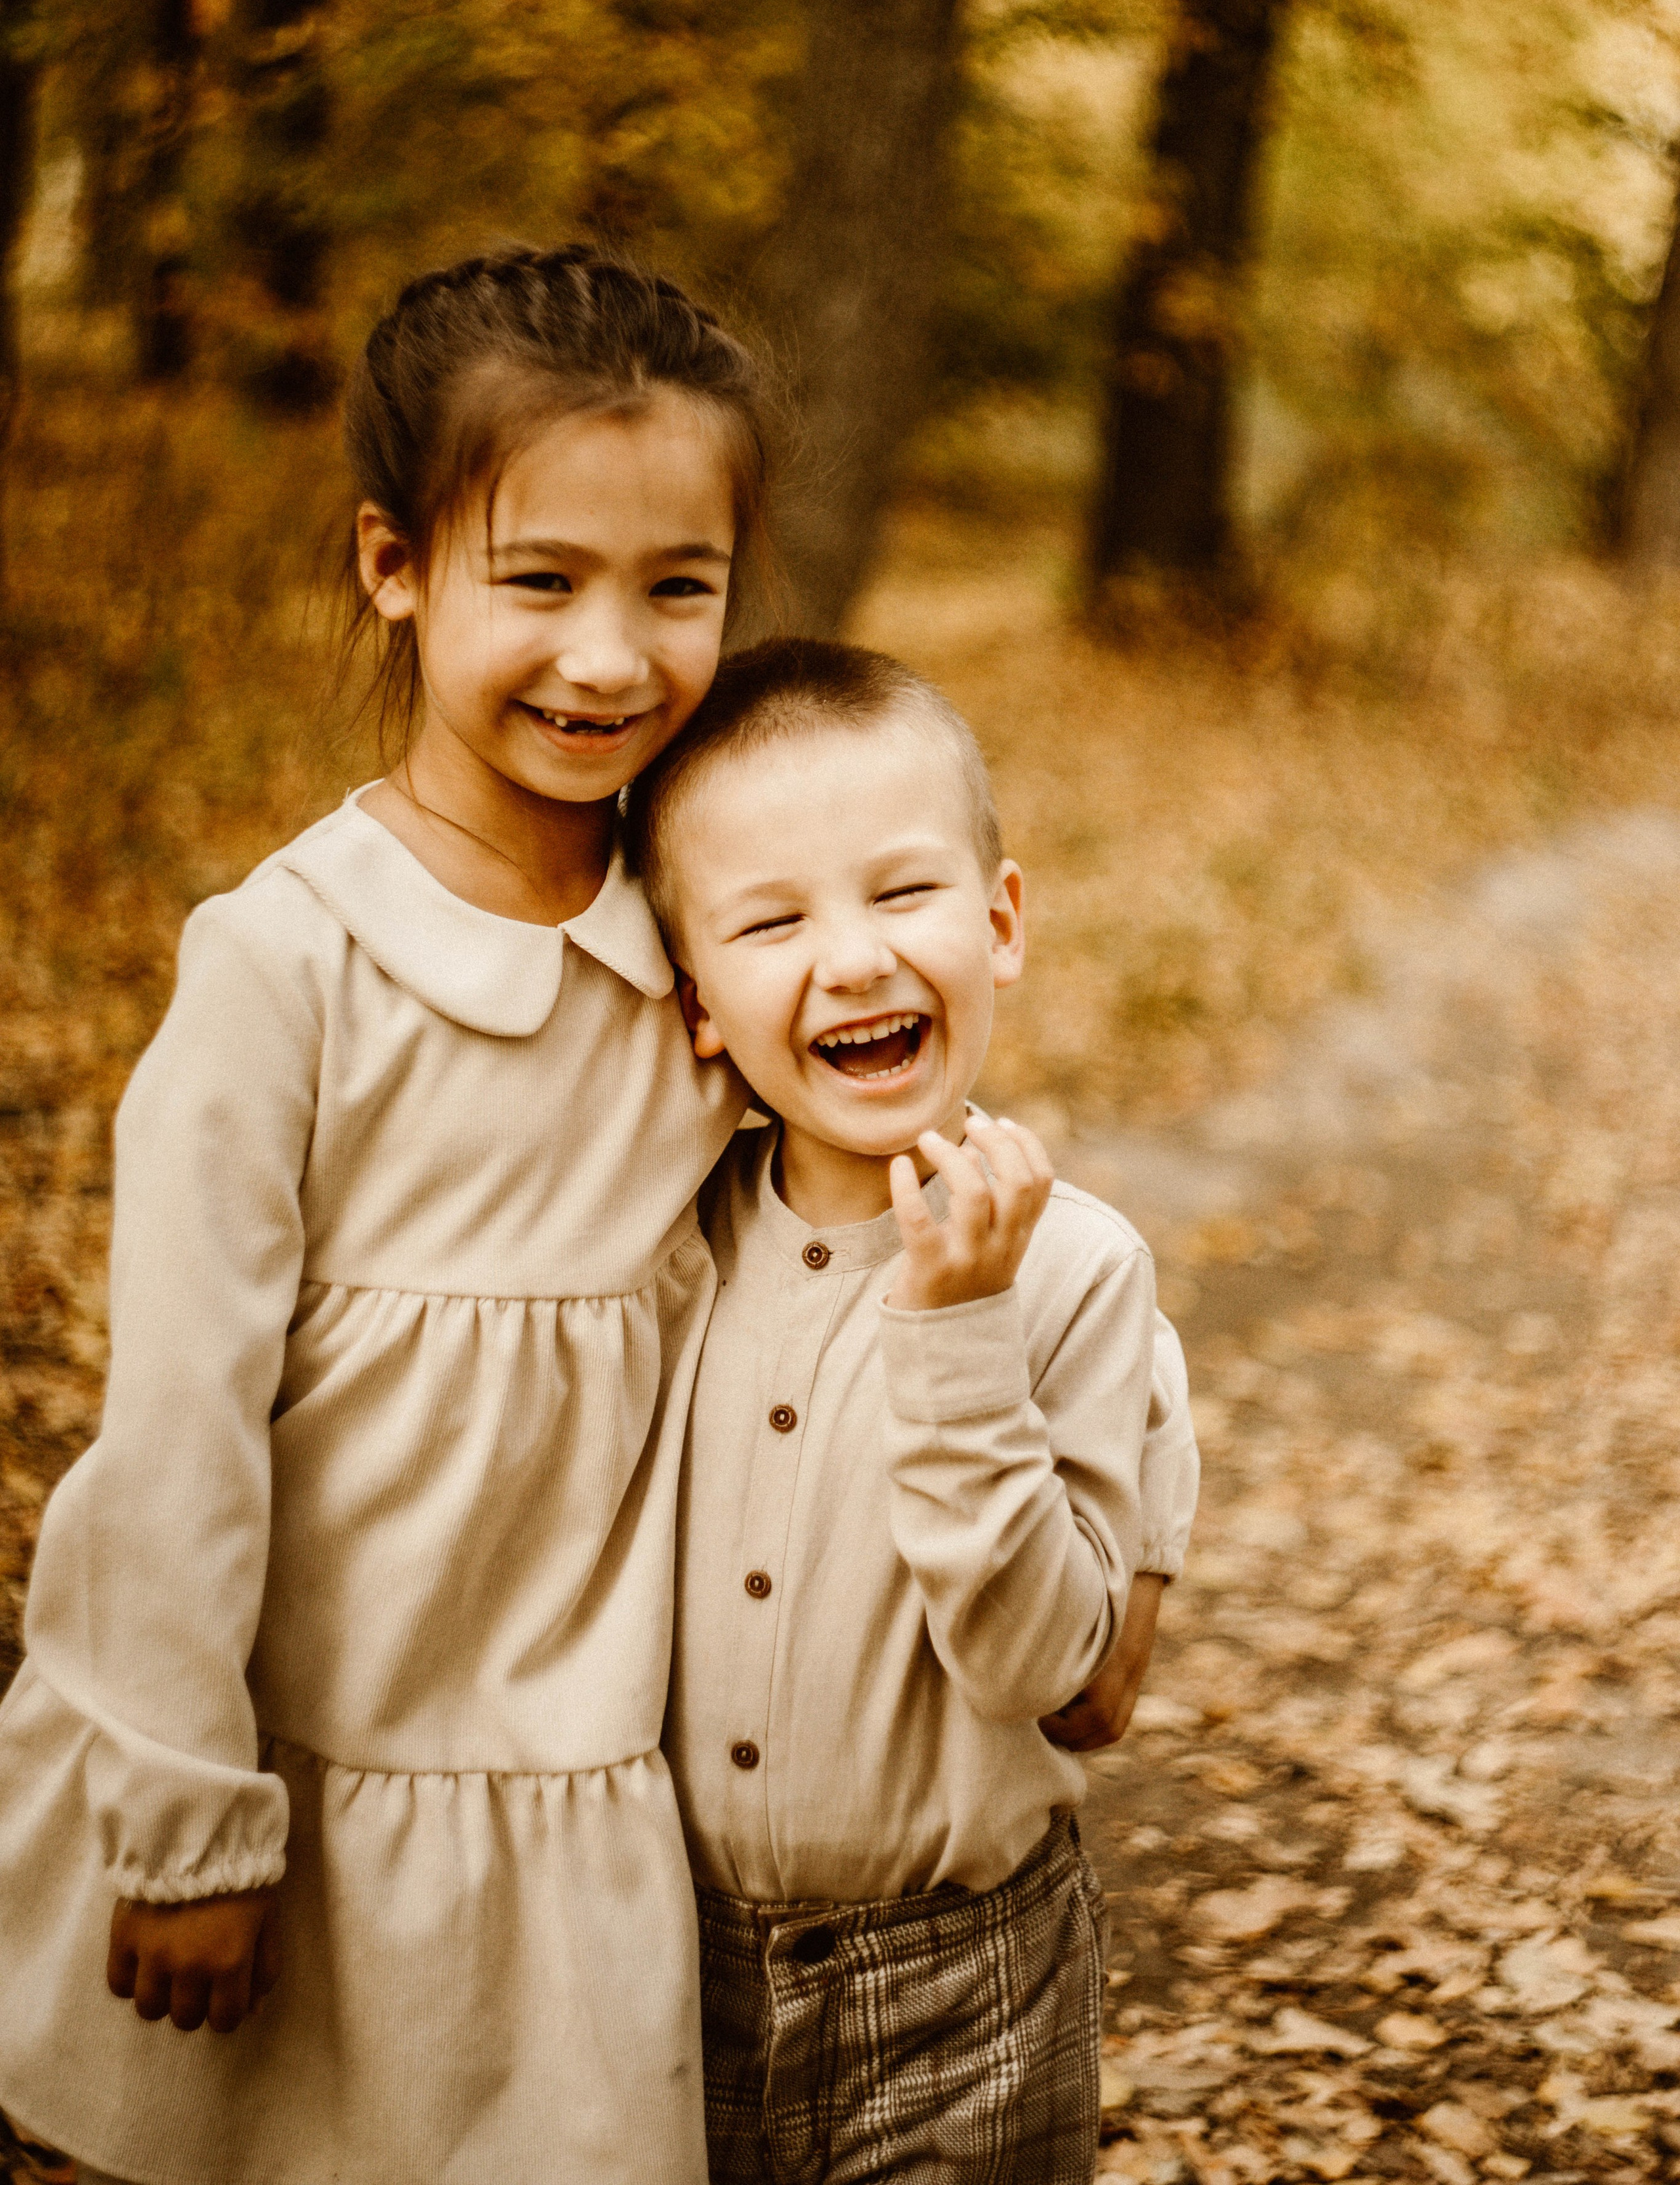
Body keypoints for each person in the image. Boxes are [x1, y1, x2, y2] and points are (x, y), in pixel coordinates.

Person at [0, 245, 772, 2185]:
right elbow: (177, 1432)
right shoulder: (289, 967)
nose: (611, 659)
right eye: (541, 580)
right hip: (283, 1785)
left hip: (578, 1818)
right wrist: (188, 1819)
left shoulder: (705, 948)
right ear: (394, 565)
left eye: (679, 589)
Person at [625, 638, 1201, 2185]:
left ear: (999, 923)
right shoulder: (659, 1243)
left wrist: (952, 1331)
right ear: (694, 998)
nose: (855, 958)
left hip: (956, 1986)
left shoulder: (1074, 1271)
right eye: (770, 921)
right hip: (653, 1965)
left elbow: (1047, 1670)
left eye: (901, 892)